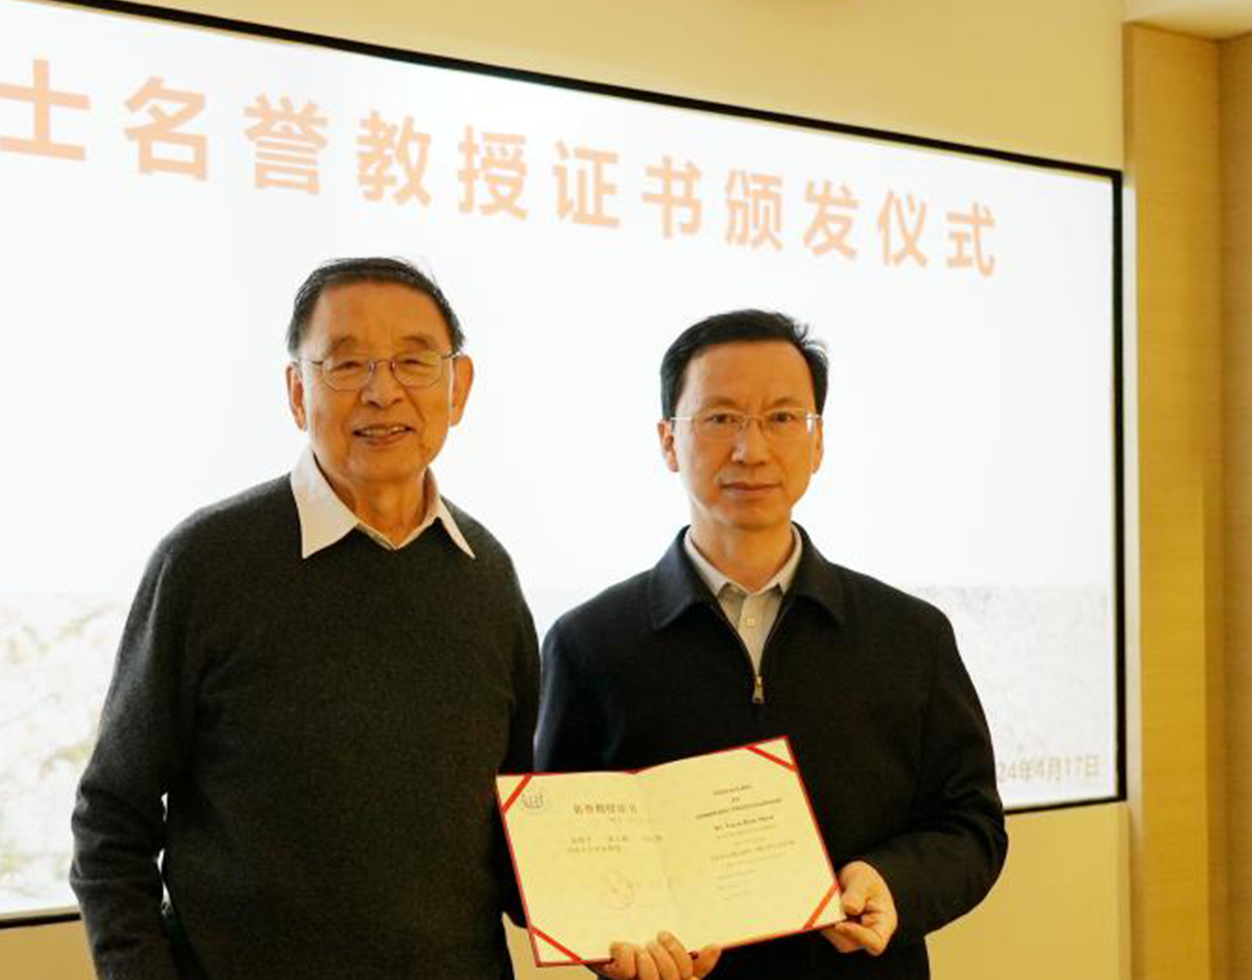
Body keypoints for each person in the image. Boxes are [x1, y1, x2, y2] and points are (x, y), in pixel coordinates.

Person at [68, 257, 538, 980]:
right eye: (346, 365)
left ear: (459, 386)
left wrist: (620, 926)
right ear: (297, 391)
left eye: (414, 361)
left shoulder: (487, 572)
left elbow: (518, 823)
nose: (383, 392)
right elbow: (111, 819)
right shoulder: (207, 561)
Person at [535, 310, 1007, 980]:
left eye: (782, 418)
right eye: (720, 418)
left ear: (818, 442)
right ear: (669, 440)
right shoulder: (590, 643)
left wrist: (893, 881)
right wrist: (613, 947)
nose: (750, 449)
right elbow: (559, 860)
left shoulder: (910, 635)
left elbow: (972, 826)